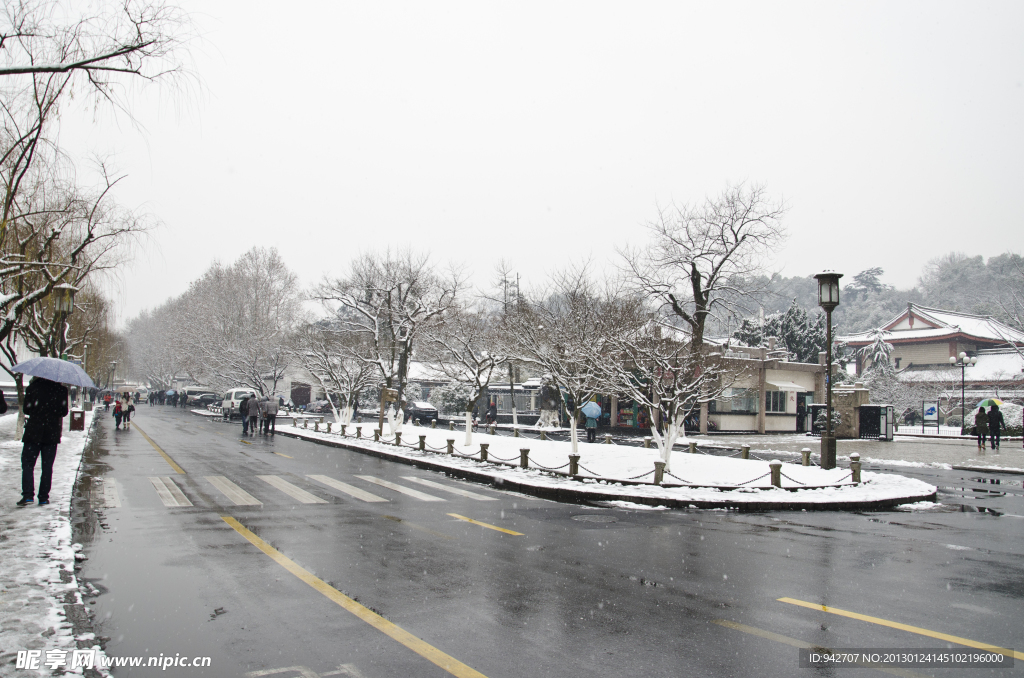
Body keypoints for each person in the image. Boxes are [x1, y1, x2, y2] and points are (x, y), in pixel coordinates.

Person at [18, 377, 69, 506]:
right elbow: (63, 412)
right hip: (51, 433)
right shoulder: (61, 390)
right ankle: (43, 497)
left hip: (33, 431)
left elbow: (26, 410)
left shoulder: (32, 388)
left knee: (28, 464)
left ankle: (28, 495)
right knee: (47, 466)